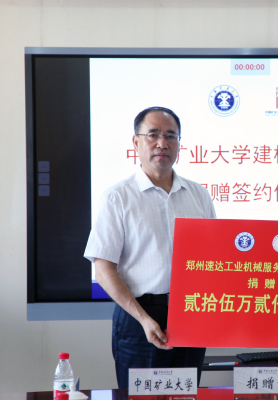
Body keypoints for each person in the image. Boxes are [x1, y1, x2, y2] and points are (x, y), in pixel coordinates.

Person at [84, 107, 216, 388]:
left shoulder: (199, 195)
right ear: (136, 142)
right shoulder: (117, 198)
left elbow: (213, 259)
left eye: (171, 136)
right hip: (138, 317)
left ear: (179, 143)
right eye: (153, 135)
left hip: (189, 313)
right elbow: (103, 270)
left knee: (185, 394)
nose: (162, 143)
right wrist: (144, 319)